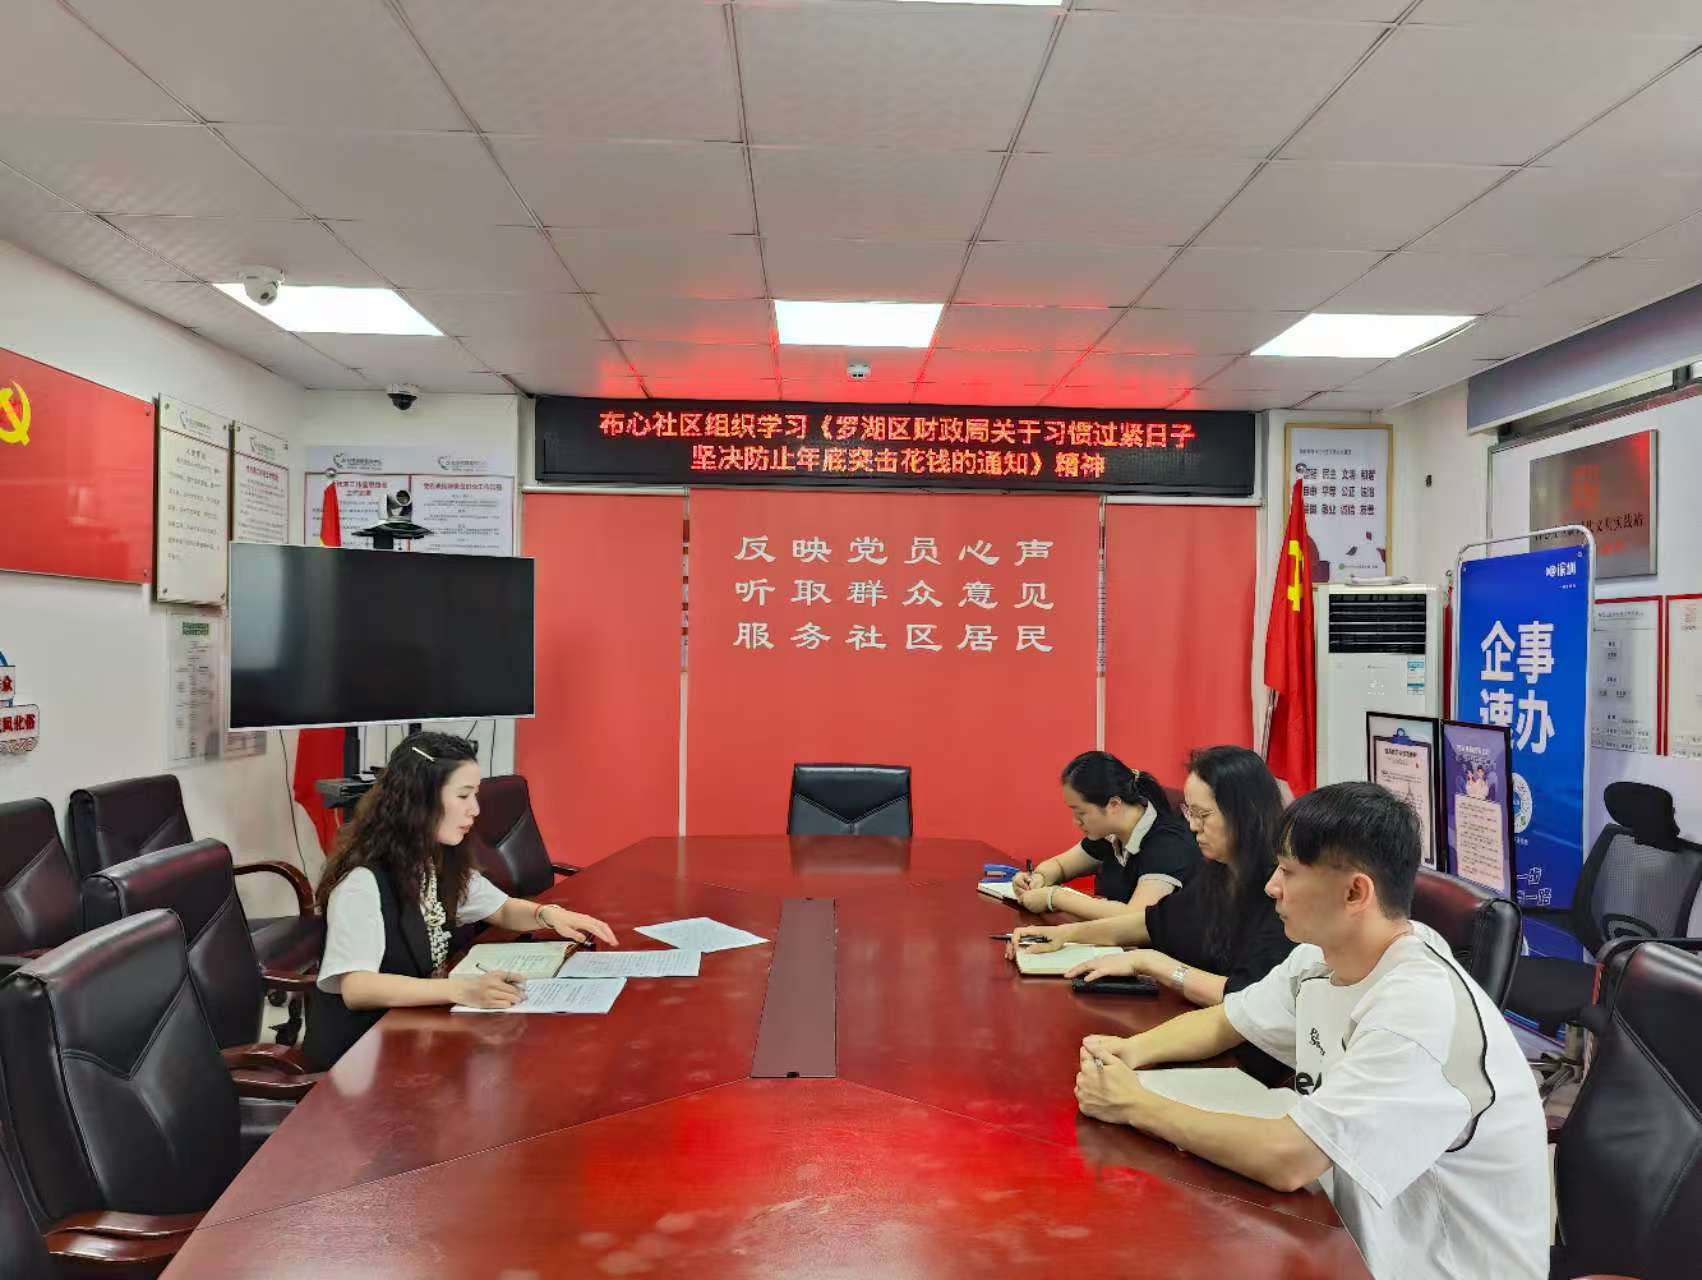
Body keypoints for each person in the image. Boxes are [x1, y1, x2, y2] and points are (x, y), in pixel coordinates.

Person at [1074, 782, 1548, 1280]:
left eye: (1289, 871)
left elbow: (1291, 1160)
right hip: (1346, 1233)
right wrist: (1128, 1052)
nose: (1271, 886)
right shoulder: (1322, 957)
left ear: (1355, 893)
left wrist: (1134, 1104)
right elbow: (1229, 1019)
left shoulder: (1419, 1009)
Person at [302, 731, 618, 1069]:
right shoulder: (362, 882)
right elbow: (358, 987)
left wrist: (548, 914)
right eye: (463, 795)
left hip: (415, 1037)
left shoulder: (435, 858)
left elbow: (502, 909)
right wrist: (461, 990)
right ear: (420, 799)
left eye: (475, 795)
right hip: (360, 1059)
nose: (475, 809)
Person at [1010, 745, 1293, 1014]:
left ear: (1245, 813)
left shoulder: (1279, 892)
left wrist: (1150, 962)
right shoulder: (1219, 874)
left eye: (1203, 815)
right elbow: (1150, 922)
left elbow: (1246, 996)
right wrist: (1064, 935)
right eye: (1189, 812)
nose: (1193, 826)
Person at [1006, 751, 1200, 921]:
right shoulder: (1111, 833)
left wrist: (1055, 898)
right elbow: (1060, 866)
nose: (1076, 821)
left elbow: (1136, 919)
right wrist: (1038, 878)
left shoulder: (1167, 843)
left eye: (1081, 813)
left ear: (1114, 805)